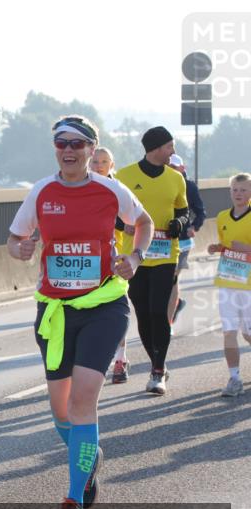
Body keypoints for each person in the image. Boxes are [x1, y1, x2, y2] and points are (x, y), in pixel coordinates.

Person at [8, 116, 153, 509]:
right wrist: (23, 249)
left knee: (83, 399)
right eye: (61, 143)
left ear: (92, 149)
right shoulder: (40, 192)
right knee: (61, 411)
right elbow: (15, 240)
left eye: (77, 143)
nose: (68, 150)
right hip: (55, 311)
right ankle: (88, 456)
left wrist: (135, 258)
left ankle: (73, 501)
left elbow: (142, 224)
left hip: (104, 305)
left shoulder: (110, 189)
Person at [114, 126, 188, 395]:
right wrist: (125, 225)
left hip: (166, 254)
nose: (173, 151)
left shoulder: (175, 178)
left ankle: (158, 370)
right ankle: (158, 363)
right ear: (156, 148)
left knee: (159, 311)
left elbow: (184, 212)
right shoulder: (124, 176)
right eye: (170, 146)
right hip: (133, 257)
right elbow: (110, 213)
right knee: (143, 313)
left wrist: (179, 223)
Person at [206, 173, 251, 397]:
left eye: (243, 190)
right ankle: (234, 378)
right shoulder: (223, 216)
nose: (238, 194)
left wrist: (247, 249)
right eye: (235, 189)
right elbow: (227, 245)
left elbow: (243, 249)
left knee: (248, 334)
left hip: (249, 286)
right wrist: (216, 247)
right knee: (229, 332)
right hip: (227, 280)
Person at [90, 147, 132, 384]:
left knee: (116, 311)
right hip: (87, 259)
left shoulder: (119, 191)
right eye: (95, 161)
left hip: (114, 258)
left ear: (112, 165)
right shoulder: (79, 187)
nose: (99, 165)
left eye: (104, 161)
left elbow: (135, 219)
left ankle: (120, 359)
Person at [167, 154, 207, 325]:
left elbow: (200, 211)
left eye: (175, 167)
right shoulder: (160, 183)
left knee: (172, 278)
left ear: (182, 169)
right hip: (162, 241)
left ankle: (167, 321)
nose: (172, 170)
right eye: (169, 167)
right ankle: (176, 305)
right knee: (164, 281)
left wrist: (194, 227)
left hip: (182, 242)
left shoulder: (189, 186)